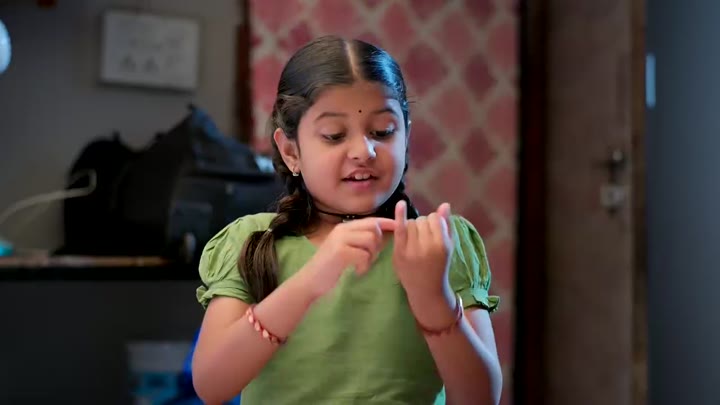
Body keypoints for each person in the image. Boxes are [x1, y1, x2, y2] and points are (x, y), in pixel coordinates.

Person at [191, 35, 502, 405]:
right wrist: (309, 281)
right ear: (291, 151)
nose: (363, 151)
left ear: (406, 135)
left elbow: (481, 398)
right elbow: (211, 386)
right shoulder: (251, 241)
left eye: (383, 132)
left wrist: (434, 298)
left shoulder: (440, 244)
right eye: (334, 135)